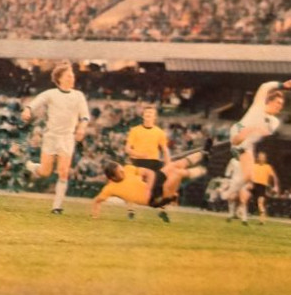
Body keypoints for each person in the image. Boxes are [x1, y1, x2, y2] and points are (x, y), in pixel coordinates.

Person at [220, 78, 291, 220]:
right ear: (269, 101)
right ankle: (229, 193)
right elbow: (264, 86)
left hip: (248, 144)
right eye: (278, 103)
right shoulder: (258, 106)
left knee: (249, 176)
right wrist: (282, 85)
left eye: (282, 104)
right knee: (241, 136)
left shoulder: (275, 121)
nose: (280, 106)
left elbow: (263, 132)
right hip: (238, 134)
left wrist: (254, 130)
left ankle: (228, 191)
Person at [22, 61, 90, 215]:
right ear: (59, 78)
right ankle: (31, 166)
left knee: (63, 171)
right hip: (51, 136)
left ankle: (57, 207)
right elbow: (34, 103)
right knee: (45, 172)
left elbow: (85, 116)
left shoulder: (78, 96)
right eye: (68, 76)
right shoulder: (51, 93)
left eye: (72, 76)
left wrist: (81, 127)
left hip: (67, 138)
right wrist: (27, 110)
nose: (71, 78)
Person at [91, 153, 207, 222]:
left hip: (153, 188)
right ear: (112, 177)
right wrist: (95, 216)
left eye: (121, 168)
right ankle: (203, 170)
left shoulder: (128, 169)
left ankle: (204, 153)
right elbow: (96, 201)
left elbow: (150, 173)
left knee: (175, 165)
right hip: (154, 199)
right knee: (177, 173)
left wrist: (148, 188)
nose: (123, 172)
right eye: (120, 172)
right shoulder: (110, 188)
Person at [125, 105, 171, 211]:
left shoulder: (160, 132)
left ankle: (161, 207)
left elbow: (165, 150)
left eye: (151, 113)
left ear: (155, 117)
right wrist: (139, 154)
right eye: (147, 113)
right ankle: (130, 208)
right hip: (138, 161)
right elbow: (127, 149)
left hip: (153, 162)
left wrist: (168, 164)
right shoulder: (135, 130)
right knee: (133, 182)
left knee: (161, 180)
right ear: (143, 115)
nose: (148, 115)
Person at [243, 151, 279, 224]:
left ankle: (262, 220)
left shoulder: (268, 167)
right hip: (254, 185)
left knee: (260, 203)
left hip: (261, 186)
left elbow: (274, 177)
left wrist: (276, 186)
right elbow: (249, 176)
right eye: (260, 157)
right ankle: (244, 216)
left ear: (265, 159)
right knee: (246, 198)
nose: (261, 158)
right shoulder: (254, 166)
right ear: (258, 158)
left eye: (263, 157)